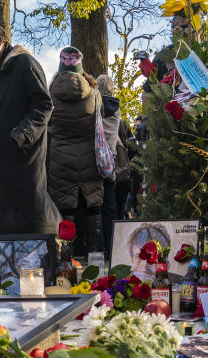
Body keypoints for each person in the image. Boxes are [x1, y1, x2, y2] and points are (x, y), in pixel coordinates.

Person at [0, 20, 58, 248]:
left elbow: (43, 105)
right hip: (0, 158)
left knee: (26, 216)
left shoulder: (24, 63)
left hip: (22, 156)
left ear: (0, 40)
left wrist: (21, 136)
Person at [48, 47, 104, 256]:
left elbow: (47, 122)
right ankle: (96, 254)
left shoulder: (51, 92)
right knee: (93, 207)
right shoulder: (94, 93)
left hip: (60, 160)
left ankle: (67, 257)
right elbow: (101, 120)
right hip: (90, 159)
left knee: (66, 208)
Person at [96, 74, 123, 253]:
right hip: (110, 162)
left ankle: (97, 246)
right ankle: (112, 247)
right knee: (110, 207)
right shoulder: (117, 109)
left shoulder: (95, 108)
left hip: (95, 161)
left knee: (96, 208)